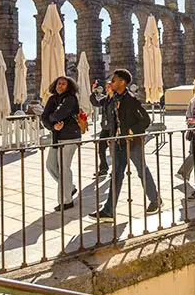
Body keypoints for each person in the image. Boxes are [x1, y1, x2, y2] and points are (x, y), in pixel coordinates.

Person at [89, 69, 159, 223]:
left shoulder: (131, 100)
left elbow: (145, 121)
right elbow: (112, 118)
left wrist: (130, 131)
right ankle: (108, 211)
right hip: (118, 143)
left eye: (113, 80)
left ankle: (155, 200)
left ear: (122, 82)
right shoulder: (113, 99)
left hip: (133, 142)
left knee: (141, 170)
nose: (111, 83)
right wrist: (112, 136)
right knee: (117, 175)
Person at [41, 76, 82, 211]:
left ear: (68, 86)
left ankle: (66, 201)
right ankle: (70, 188)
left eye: (63, 84)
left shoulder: (70, 99)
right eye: (59, 83)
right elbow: (44, 118)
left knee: (64, 167)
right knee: (50, 165)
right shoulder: (53, 99)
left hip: (69, 136)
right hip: (57, 136)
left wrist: (51, 117)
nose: (60, 86)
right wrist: (53, 126)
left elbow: (57, 116)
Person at [89, 79, 115, 177]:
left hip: (114, 128)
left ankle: (115, 170)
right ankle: (103, 169)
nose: (107, 88)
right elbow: (95, 103)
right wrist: (93, 92)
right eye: (106, 87)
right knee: (101, 148)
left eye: (109, 86)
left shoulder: (117, 99)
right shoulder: (105, 99)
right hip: (105, 128)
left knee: (113, 150)